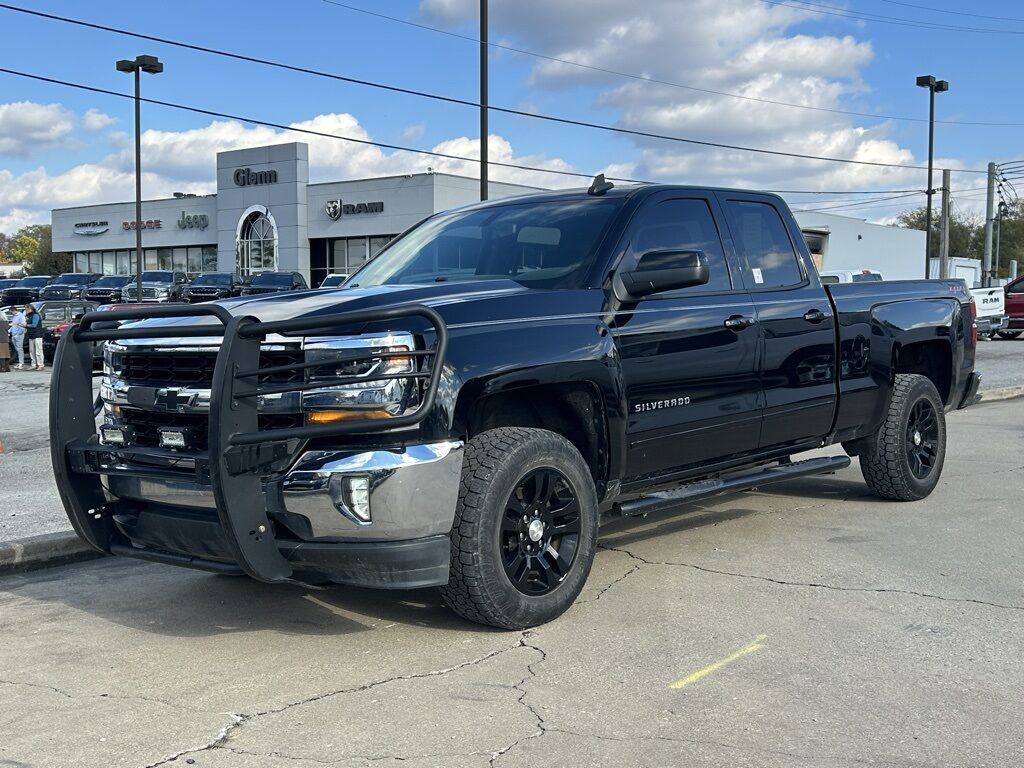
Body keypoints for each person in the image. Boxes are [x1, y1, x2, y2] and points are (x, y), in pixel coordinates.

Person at [23, 303, 44, 371]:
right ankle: (34, 364)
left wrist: (26, 325)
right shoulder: (29, 315)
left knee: (38, 351)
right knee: (32, 351)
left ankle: (40, 364)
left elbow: (34, 325)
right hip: (31, 335)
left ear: (30, 308)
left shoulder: (35, 315)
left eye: (26, 309)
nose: (26, 310)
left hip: (37, 335)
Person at [9, 305, 26, 370]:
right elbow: (13, 325)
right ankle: (20, 362)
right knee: (17, 349)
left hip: (19, 335)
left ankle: (22, 363)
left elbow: (22, 326)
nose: (11, 313)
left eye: (11, 312)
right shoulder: (14, 317)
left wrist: (18, 334)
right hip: (14, 334)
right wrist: (9, 331)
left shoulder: (21, 316)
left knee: (20, 349)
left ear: (14, 310)